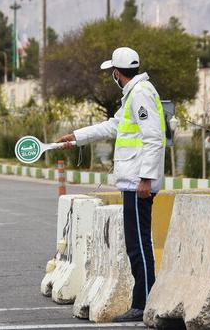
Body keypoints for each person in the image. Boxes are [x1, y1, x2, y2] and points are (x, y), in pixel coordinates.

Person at [56, 47, 165, 323]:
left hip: (138, 183)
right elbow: (112, 126)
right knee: (135, 245)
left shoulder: (140, 94)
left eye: (111, 73)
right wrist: (77, 137)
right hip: (132, 182)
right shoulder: (133, 95)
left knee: (139, 245)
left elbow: (153, 137)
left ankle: (143, 303)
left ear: (117, 73)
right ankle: (142, 301)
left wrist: (146, 178)